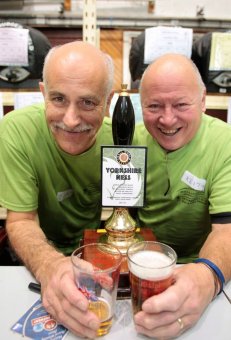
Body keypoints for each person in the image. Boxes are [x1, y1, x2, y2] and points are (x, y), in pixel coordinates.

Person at [0, 41, 114, 338]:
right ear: (42, 94)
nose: (71, 119)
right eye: (59, 99)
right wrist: (51, 267)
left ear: (108, 101)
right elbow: (21, 220)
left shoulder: (121, 142)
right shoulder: (16, 130)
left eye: (88, 102)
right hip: (34, 263)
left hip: (92, 264)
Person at [133, 53, 231, 338]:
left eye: (181, 104)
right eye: (153, 106)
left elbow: (227, 231)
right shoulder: (131, 143)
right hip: (142, 271)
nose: (166, 118)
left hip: (203, 269)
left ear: (202, 101)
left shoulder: (224, 143)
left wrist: (206, 277)